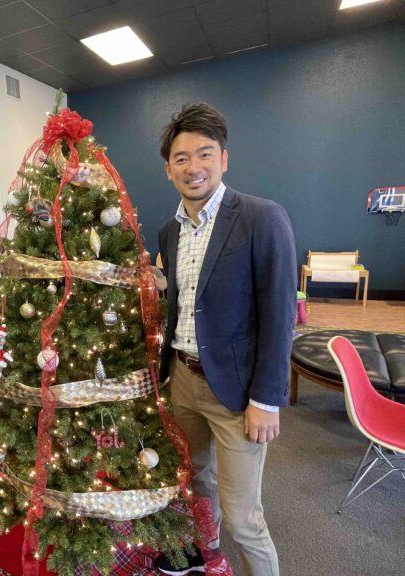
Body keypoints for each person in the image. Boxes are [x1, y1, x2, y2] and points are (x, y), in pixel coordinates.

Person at [154, 104, 296, 576]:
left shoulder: (261, 217)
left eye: (205, 154)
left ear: (224, 159)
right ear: (168, 168)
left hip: (237, 390)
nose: (193, 166)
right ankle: (203, 547)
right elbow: (181, 303)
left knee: (244, 518)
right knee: (197, 481)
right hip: (182, 379)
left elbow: (279, 316)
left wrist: (267, 400)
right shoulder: (169, 231)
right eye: (181, 158)